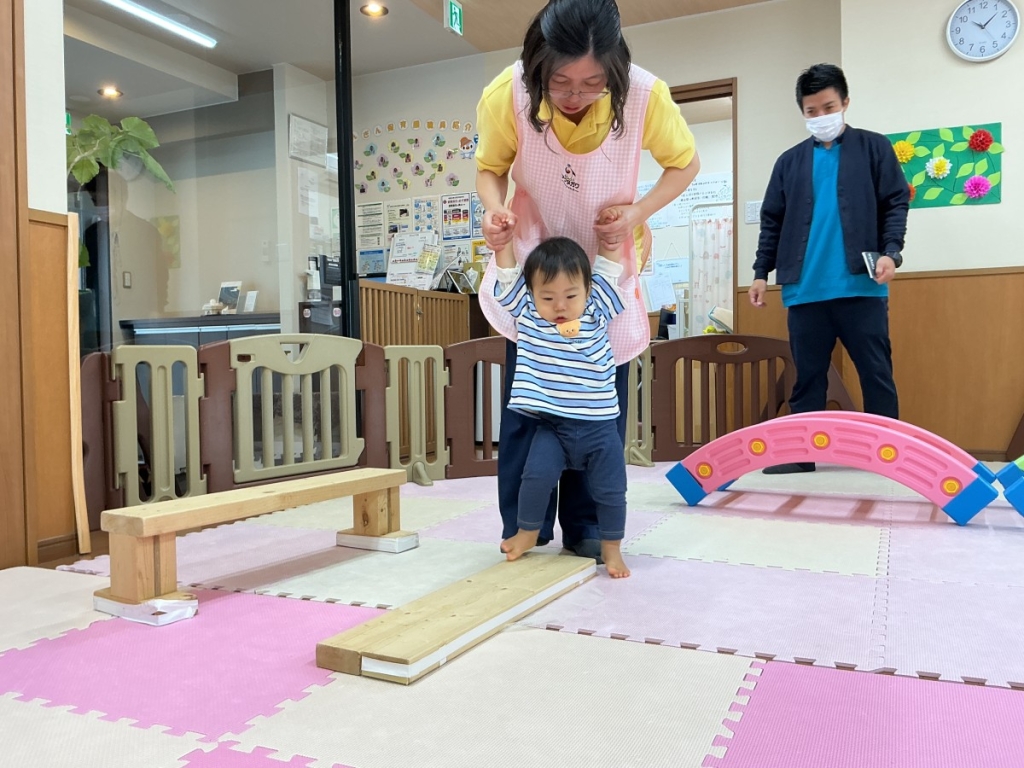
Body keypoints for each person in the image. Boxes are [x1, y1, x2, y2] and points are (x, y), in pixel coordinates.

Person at [476, 0, 700, 558]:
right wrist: (494, 208)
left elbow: (685, 164)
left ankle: (588, 529)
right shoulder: (507, 92)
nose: (576, 96)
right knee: (530, 407)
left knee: (598, 412)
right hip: (536, 266)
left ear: (615, 73)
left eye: (593, 83)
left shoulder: (645, 94)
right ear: (537, 68)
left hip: (604, 266)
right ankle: (522, 527)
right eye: (561, 82)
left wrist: (638, 212)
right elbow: (490, 167)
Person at [749, 63, 909, 475]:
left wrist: (892, 251)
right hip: (805, 290)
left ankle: (886, 457)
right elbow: (773, 220)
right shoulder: (788, 162)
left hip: (862, 287)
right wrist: (760, 273)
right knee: (807, 378)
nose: (820, 117)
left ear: (845, 103)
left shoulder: (874, 148)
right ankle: (801, 456)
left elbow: (895, 202)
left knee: (875, 373)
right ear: (802, 112)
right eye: (811, 111)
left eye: (828, 107)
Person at [492, 223, 631, 578]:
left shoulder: (596, 308)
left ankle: (612, 549)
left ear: (586, 292)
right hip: (552, 428)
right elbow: (508, 277)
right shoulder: (527, 314)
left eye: (570, 296)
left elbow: (608, 269)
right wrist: (503, 244)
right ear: (533, 294)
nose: (559, 306)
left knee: (612, 491)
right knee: (534, 476)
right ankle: (526, 533)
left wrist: (610, 241)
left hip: (600, 429)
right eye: (548, 297)